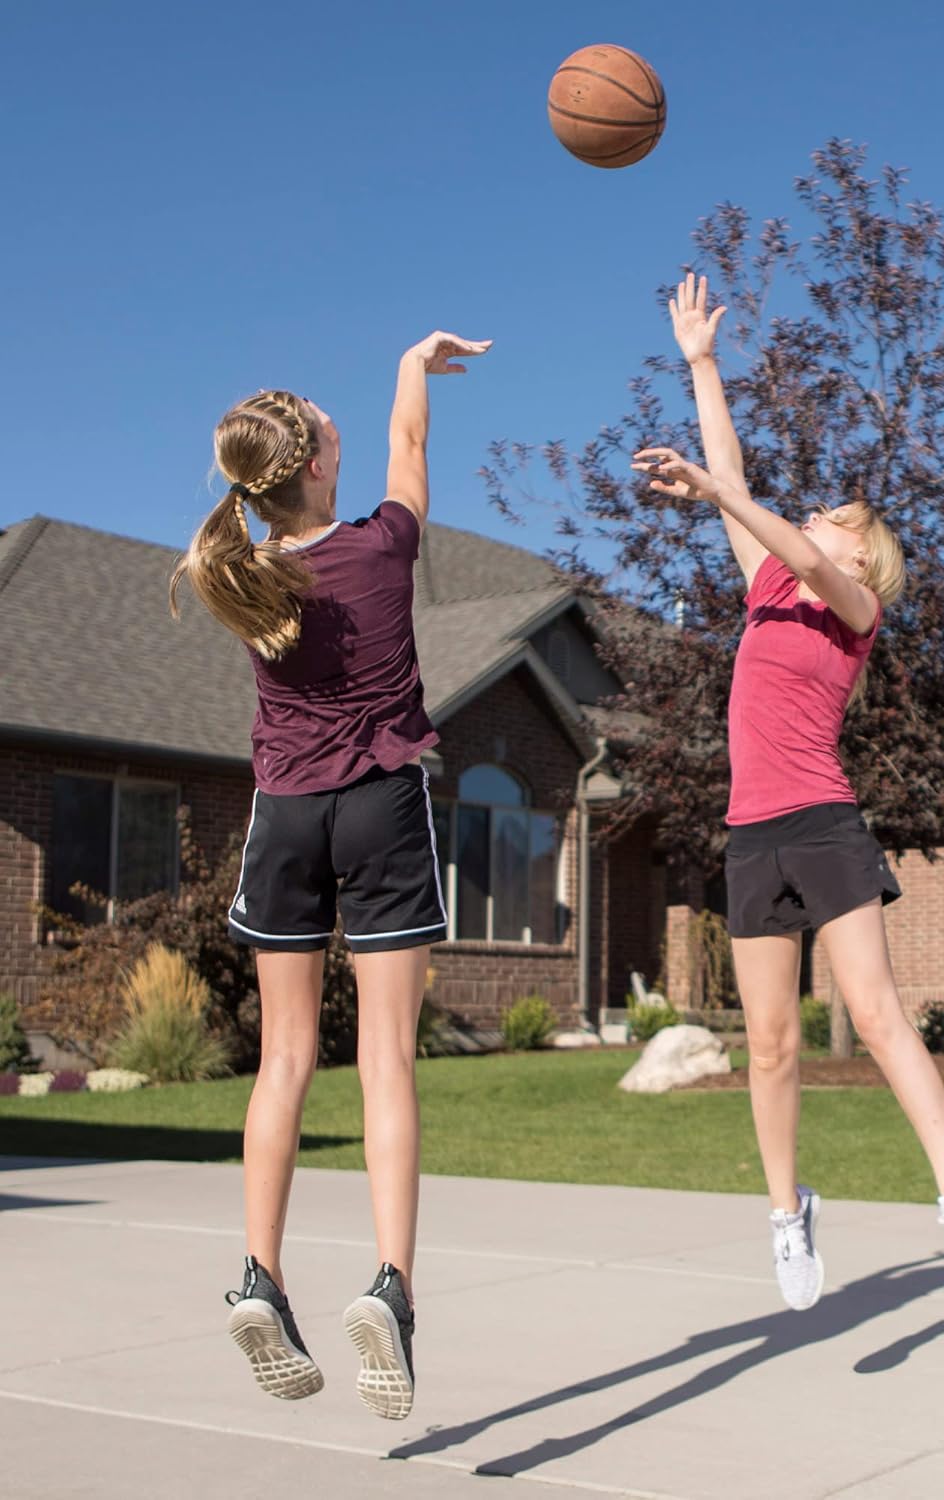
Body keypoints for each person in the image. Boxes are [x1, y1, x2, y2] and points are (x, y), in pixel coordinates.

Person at [634, 274, 944, 1310]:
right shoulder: (766, 586)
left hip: (824, 822)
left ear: (860, 557)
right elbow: (746, 484)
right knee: (768, 1043)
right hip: (752, 831)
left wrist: (715, 493)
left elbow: (769, 521)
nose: (818, 519)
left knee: (879, 1019)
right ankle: (788, 1215)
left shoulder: (851, 607)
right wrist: (703, 364)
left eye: (836, 519)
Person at [171, 330, 491, 1418]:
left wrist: (400, 376)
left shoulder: (244, 575)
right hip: (382, 807)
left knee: (285, 1059)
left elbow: (379, 439)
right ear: (313, 462)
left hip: (287, 815)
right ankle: (391, 1289)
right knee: (387, 1059)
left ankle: (259, 1273)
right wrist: (415, 360)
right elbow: (409, 438)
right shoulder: (381, 548)